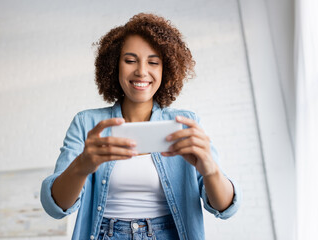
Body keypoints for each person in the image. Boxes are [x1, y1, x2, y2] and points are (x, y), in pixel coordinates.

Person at [41, 13, 241, 240]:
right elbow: (54, 206)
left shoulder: (185, 123)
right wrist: (82, 165)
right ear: (114, 66)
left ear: (166, 70)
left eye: (153, 62)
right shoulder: (87, 123)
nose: (141, 71)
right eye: (130, 60)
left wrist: (210, 169)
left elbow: (225, 208)